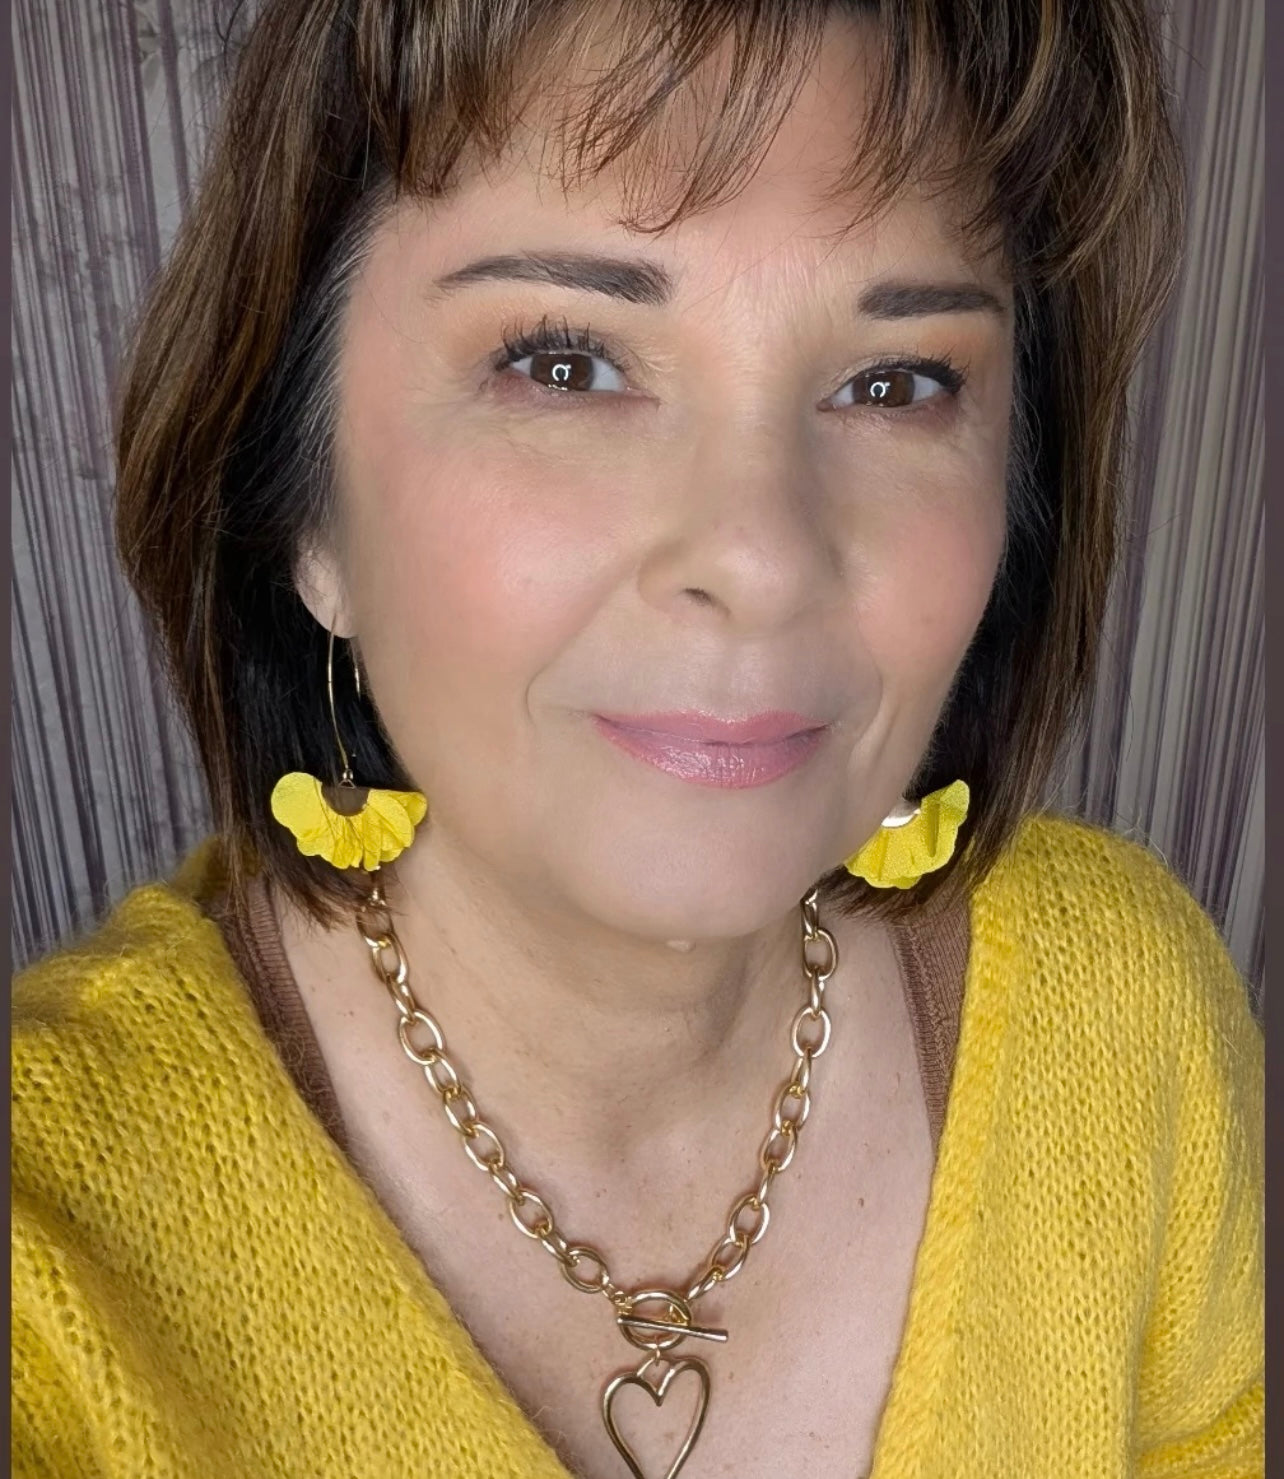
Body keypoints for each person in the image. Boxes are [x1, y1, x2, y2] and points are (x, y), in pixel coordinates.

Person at [11, 2, 1263, 1476]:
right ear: (304, 507)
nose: (762, 556)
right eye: (567, 364)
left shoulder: (1129, 1018)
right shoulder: (49, 1257)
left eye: (895, 382)